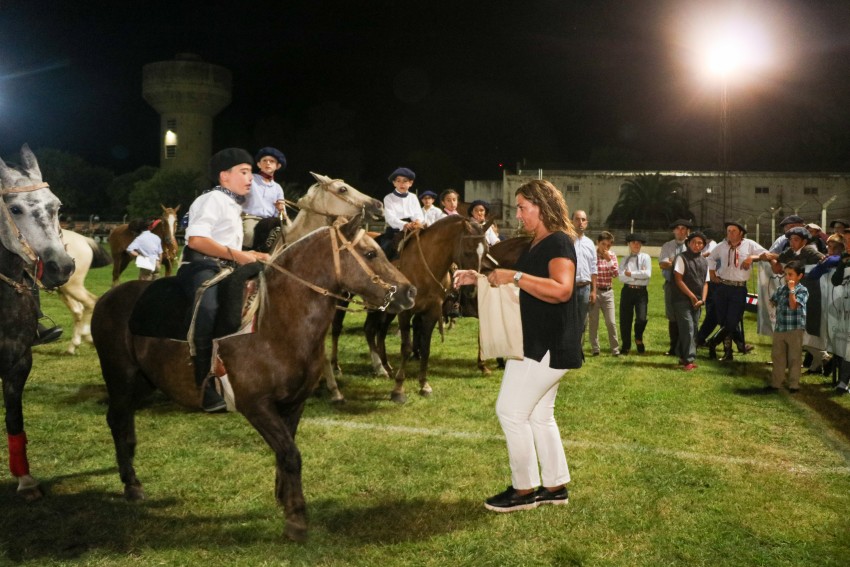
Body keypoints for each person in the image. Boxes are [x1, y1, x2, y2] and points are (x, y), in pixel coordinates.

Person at [453, 179, 581, 513]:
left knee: (510, 411)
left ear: (542, 206)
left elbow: (561, 289)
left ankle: (523, 491)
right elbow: (523, 285)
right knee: (540, 415)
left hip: (545, 345)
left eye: (523, 207)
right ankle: (555, 487)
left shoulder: (558, 241)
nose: (519, 214)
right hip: (539, 341)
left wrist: (515, 276)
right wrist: (479, 277)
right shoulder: (537, 242)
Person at [178, 148, 271, 412]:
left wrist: (254, 255)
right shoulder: (211, 199)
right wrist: (240, 255)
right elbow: (197, 240)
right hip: (201, 267)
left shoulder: (232, 204)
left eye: (251, 173)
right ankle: (201, 380)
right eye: (244, 172)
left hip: (226, 268)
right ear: (224, 176)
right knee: (208, 309)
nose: (250, 178)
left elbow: (226, 244)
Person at [706, 221, 776, 361]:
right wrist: (712, 273)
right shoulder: (722, 246)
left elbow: (769, 255)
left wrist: (752, 257)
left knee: (732, 321)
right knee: (724, 321)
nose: (730, 233)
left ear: (741, 233)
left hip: (739, 288)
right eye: (728, 231)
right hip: (722, 286)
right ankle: (728, 352)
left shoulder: (749, 244)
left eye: (733, 231)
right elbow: (711, 258)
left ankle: (713, 342)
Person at [768, 260, 808, 392]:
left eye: (791, 274)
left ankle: (794, 384)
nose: (787, 277)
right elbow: (773, 300)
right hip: (780, 328)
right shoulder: (781, 289)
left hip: (795, 329)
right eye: (786, 274)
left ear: (800, 276)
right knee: (777, 356)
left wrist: (792, 291)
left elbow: (793, 305)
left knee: (794, 357)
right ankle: (776, 383)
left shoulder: (802, 290)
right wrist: (773, 302)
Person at [672, 231, 709, 371]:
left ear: (703, 246)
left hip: (698, 302)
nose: (696, 245)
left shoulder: (704, 261)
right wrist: (692, 296)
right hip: (681, 300)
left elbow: (706, 283)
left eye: (700, 243)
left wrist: (702, 300)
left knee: (692, 329)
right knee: (688, 328)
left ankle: (682, 355)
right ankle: (689, 360)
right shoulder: (681, 258)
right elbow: (678, 280)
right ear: (688, 243)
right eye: (693, 242)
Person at [241, 147, 287, 249]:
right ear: (259, 164)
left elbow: (282, 214)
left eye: (272, 161)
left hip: (269, 221)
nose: (268, 163)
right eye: (264, 160)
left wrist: (280, 210)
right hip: (250, 218)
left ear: (278, 166)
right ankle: (243, 255)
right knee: (249, 234)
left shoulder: (278, 188)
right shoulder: (250, 179)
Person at [659, 219, 692, 356]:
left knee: (685, 317)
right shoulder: (667, 246)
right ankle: (673, 348)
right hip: (671, 285)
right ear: (674, 231)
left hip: (686, 286)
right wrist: (680, 263)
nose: (680, 231)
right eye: (677, 228)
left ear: (688, 231)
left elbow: (692, 266)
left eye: (683, 228)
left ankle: (685, 347)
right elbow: (662, 264)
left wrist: (672, 262)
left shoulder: (691, 245)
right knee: (672, 316)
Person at [379, 167, 424, 259]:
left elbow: (418, 213)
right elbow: (390, 217)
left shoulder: (413, 197)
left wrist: (417, 221)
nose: (401, 184)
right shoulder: (388, 198)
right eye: (398, 181)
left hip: (413, 227)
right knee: (385, 250)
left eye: (405, 181)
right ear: (394, 183)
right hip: (395, 230)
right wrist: (404, 224)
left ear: (410, 183)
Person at [588, 231, 620, 356]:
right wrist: (592, 290)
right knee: (594, 322)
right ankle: (595, 349)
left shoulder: (612, 255)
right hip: (594, 292)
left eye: (608, 245)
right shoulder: (592, 256)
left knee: (611, 322)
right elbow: (589, 273)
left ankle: (615, 350)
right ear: (597, 243)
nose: (606, 247)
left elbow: (615, 274)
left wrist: (609, 260)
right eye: (603, 244)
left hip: (608, 293)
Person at [618, 233, 651, 355]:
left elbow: (647, 274)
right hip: (627, 291)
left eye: (638, 243)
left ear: (641, 244)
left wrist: (630, 274)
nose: (636, 245)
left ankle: (638, 337)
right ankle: (626, 345)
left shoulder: (646, 257)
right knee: (625, 319)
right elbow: (621, 277)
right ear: (629, 244)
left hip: (641, 292)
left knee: (642, 318)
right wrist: (638, 275)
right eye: (633, 242)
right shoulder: (624, 259)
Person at [572, 210, 596, 351]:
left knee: (582, 320)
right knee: (569, 319)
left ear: (586, 223)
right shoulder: (567, 241)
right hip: (569, 287)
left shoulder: (590, 244)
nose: (580, 222)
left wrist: (594, 290)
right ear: (572, 221)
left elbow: (594, 268)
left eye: (583, 219)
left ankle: (578, 350)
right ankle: (567, 348)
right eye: (577, 219)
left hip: (585, 288)